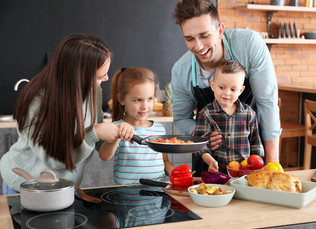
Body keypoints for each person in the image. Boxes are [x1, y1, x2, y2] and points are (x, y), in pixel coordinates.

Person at [0, 33, 121, 194]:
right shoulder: (36, 102)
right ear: (79, 76)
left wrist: (117, 134)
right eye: (100, 75)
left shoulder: (93, 91)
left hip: (62, 187)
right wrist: (96, 132)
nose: (106, 78)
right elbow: (53, 161)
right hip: (27, 184)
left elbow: (98, 145)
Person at [171, 0, 280, 174]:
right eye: (190, 39)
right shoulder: (180, 70)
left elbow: (267, 103)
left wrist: (272, 164)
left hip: (249, 159)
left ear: (220, 30)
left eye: (204, 35)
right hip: (209, 164)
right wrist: (204, 135)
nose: (198, 47)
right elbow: (180, 118)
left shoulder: (249, 45)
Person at [99, 68, 174, 185]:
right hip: (126, 195)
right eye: (138, 100)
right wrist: (118, 135)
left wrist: (177, 174)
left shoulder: (160, 128)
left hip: (157, 193)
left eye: (149, 99)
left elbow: (165, 161)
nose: (145, 106)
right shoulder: (117, 128)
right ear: (121, 99)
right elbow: (104, 156)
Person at [193, 60, 264, 173]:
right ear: (212, 86)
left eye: (233, 89)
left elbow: (256, 144)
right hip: (217, 173)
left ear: (240, 90)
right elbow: (199, 145)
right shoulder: (206, 113)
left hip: (244, 174)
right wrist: (211, 162)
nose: (227, 93)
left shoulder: (249, 113)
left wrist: (257, 168)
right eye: (222, 87)